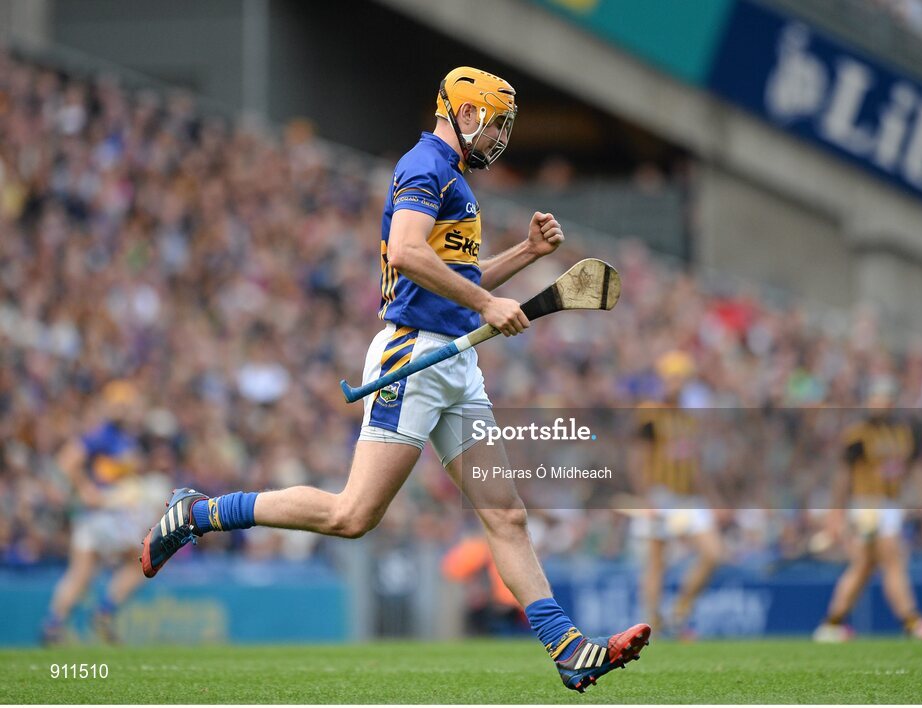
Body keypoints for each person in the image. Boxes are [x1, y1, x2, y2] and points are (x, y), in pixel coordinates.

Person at [140, 66, 649, 692]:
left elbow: (454, 281)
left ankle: (567, 649)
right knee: (352, 515)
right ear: (462, 113)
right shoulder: (425, 165)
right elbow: (408, 253)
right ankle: (199, 512)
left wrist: (524, 256)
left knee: (506, 515)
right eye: (495, 124)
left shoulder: (453, 178)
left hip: (456, 363)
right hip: (413, 358)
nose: (500, 138)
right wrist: (488, 307)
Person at [813, 379, 922, 642]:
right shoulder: (858, 434)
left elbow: (914, 466)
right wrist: (836, 513)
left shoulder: (904, 432)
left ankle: (831, 624)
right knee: (892, 558)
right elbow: (844, 475)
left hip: (890, 504)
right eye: (874, 398)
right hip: (867, 504)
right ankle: (912, 621)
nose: (878, 403)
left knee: (864, 566)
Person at [42, 381, 150, 644]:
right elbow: (66, 461)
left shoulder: (123, 437)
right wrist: (86, 488)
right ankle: (104, 613)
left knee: (79, 574)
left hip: (93, 517)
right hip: (104, 515)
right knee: (143, 560)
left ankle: (53, 625)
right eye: (123, 405)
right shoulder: (103, 434)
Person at [632, 352, 722, 638]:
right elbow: (638, 457)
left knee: (713, 553)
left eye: (680, 379)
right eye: (670, 378)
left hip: (687, 499)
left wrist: (713, 498)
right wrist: (645, 497)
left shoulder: (688, 419)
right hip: (660, 496)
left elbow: (695, 466)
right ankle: (653, 624)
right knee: (656, 561)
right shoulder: (651, 413)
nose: (675, 384)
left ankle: (680, 609)